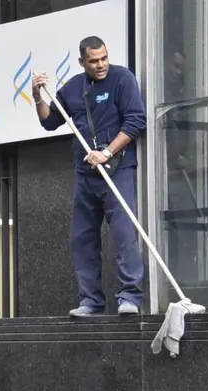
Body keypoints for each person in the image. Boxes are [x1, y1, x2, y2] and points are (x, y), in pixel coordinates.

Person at [31, 36, 146, 317]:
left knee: (123, 235)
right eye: (94, 61)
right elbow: (49, 121)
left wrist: (107, 152)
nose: (101, 65)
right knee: (82, 238)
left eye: (104, 58)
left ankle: (130, 297)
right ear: (82, 62)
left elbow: (136, 121)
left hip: (117, 169)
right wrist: (37, 97)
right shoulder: (73, 87)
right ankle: (91, 301)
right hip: (86, 174)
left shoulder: (122, 79)